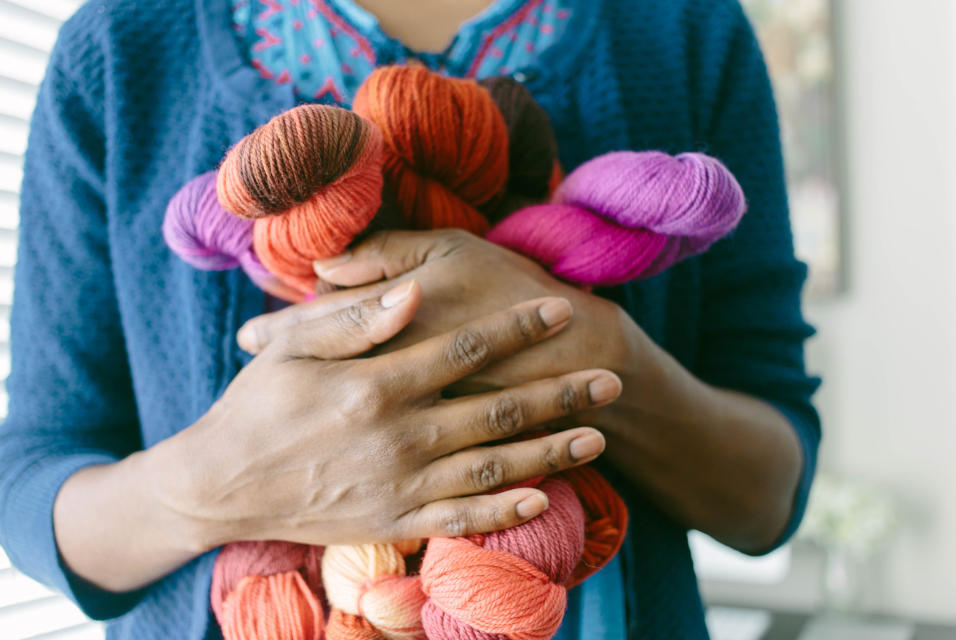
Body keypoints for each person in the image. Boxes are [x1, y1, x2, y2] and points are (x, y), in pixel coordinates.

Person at [0, 0, 821, 638]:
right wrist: (212, 488)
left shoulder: (683, 27)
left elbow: (768, 492)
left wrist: (597, 360)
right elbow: (30, 479)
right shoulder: (119, 47)